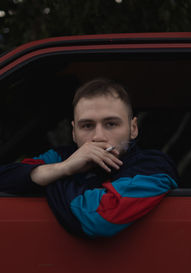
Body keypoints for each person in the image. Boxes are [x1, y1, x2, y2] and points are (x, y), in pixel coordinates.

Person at [0, 78, 178, 238]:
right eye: (87, 125)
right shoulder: (60, 157)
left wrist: (50, 179)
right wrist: (65, 167)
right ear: (74, 132)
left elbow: (99, 218)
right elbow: (5, 178)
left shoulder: (155, 167)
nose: (98, 136)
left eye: (111, 124)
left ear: (133, 129)